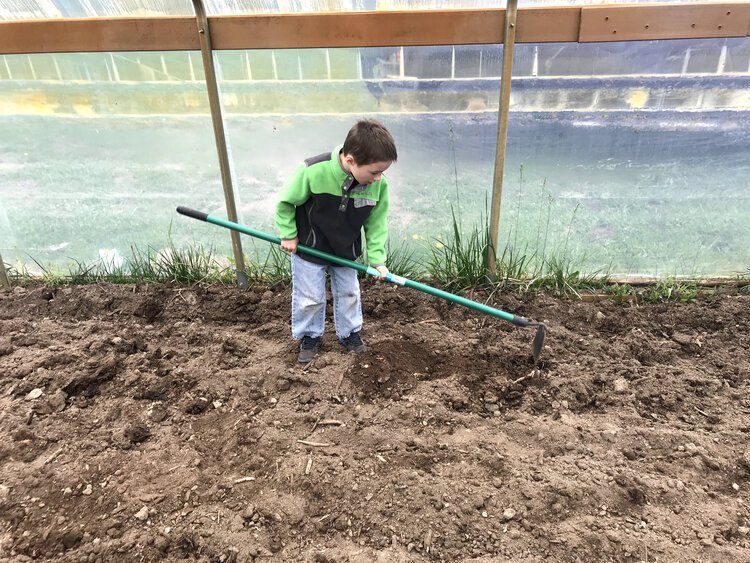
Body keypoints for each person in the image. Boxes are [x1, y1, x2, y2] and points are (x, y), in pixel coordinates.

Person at [275, 119, 397, 364]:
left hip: (345, 251)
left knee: (350, 293)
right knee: (310, 298)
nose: (378, 178)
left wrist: (377, 260)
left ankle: (349, 333)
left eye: (382, 172)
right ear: (350, 160)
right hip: (310, 247)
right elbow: (285, 202)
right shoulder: (312, 170)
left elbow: (376, 224)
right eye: (374, 172)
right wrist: (288, 234)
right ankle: (309, 337)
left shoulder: (378, 186)